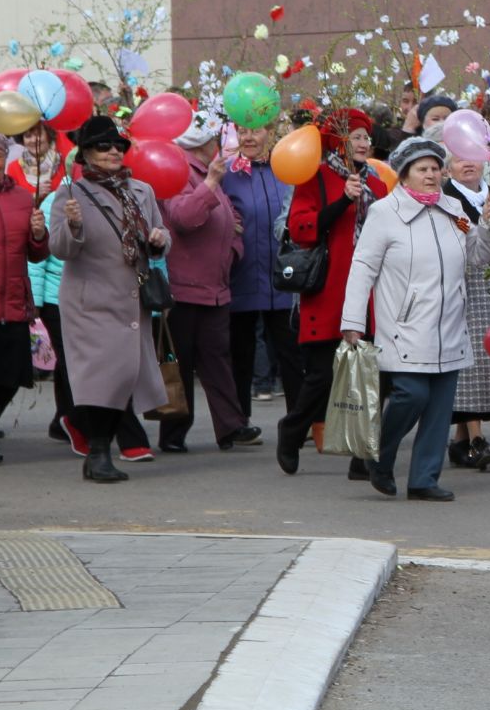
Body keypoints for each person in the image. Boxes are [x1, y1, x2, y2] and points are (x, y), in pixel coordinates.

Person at [340, 137, 490, 500]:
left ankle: (424, 478)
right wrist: (353, 321)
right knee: (411, 394)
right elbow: (362, 267)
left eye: (435, 169)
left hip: (450, 324)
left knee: (440, 409)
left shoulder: (453, 207)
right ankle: (378, 455)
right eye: (422, 169)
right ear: (404, 175)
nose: (431, 175)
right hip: (405, 326)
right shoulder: (384, 212)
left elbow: (476, 257)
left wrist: (486, 225)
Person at [49, 117, 174, 484]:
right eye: (104, 146)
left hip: (132, 300)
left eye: (119, 146)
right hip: (90, 302)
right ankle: (100, 451)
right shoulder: (70, 193)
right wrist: (72, 225)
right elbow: (60, 248)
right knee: (99, 379)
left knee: (125, 377)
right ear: (86, 153)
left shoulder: (141, 191)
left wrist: (157, 239)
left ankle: (96, 444)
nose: (113, 152)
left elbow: (161, 236)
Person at [276, 109, 392, 477]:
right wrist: (342, 199)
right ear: (338, 141)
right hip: (331, 290)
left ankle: (361, 455)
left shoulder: (378, 183)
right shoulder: (316, 176)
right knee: (325, 375)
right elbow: (301, 229)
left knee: (374, 376)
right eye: (356, 136)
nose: (363, 143)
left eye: (366, 137)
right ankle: (292, 429)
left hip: (374, 292)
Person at [156, 113, 259, 453]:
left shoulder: (204, 171)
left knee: (217, 359)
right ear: (204, 144)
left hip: (215, 287)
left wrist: (234, 246)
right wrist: (211, 183)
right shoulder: (179, 172)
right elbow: (184, 218)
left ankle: (231, 426)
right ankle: (173, 434)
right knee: (181, 362)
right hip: (185, 288)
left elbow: (230, 215)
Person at [440, 139, 490, 472]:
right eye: (458, 159)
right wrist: (481, 224)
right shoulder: (448, 203)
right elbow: (464, 234)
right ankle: (475, 439)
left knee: (483, 367)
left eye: (472, 158)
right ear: (448, 167)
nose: (466, 164)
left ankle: (459, 441)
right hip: (462, 288)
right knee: (469, 365)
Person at [222, 121, 298, 425]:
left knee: (292, 355)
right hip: (242, 274)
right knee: (240, 354)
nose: (248, 137)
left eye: (255, 130)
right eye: (242, 131)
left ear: (272, 132)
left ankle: (301, 421)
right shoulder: (227, 173)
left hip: (285, 278)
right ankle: (238, 421)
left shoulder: (289, 169)